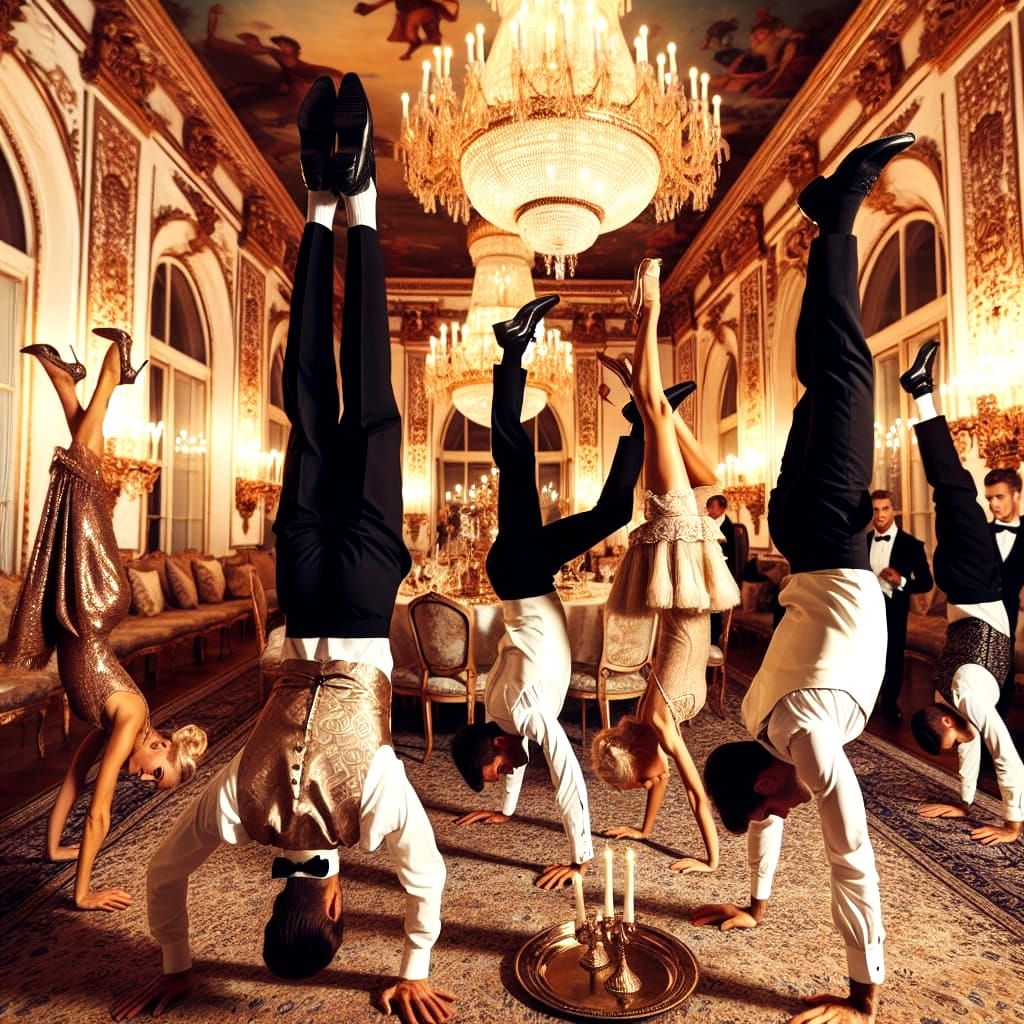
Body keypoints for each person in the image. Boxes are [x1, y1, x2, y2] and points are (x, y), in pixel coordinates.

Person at [110, 75, 453, 1024]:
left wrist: (417, 964)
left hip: (359, 598)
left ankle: (364, 195)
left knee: (373, 401)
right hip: (303, 594)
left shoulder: (374, 814)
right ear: (277, 895)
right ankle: (317, 196)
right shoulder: (240, 811)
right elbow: (165, 874)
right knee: (308, 401)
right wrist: (176, 960)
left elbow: (426, 878)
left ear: (337, 901)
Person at [694, 132, 918, 1024]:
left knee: (849, 370)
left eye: (765, 805)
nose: (781, 807)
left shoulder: (807, 746)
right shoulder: (756, 723)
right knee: (823, 386)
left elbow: (851, 852)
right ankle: (826, 225)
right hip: (805, 536)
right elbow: (778, 818)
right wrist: (753, 905)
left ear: (761, 779)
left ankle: (836, 216)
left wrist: (863, 993)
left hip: (825, 537)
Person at [2, 331, 207, 913]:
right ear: (161, 745)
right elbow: (100, 806)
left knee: (78, 480)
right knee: (82, 483)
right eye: (157, 773)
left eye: (151, 783)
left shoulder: (112, 724)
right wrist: (84, 889)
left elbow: (71, 782)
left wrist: (54, 848)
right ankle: (114, 366)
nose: (144, 779)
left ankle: (69, 378)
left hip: (86, 614)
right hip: (93, 605)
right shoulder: (130, 716)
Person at [450, 293, 645, 890]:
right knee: (519, 457)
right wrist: (504, 808)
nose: (506, 768)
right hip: (516, 574)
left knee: (604, 507)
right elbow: (518, 757)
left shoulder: (523, 713)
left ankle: (521, 353)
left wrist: (581, 858)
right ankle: (519, 353)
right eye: (499, 773)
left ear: (493, 741)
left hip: (524, 574)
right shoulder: (499, 716)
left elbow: (565, 773)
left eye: (495, 766)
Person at [588, 259, 739, 871]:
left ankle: (646, 311)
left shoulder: (658, 717)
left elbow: (695, 797)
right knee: (659, 425)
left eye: (642, 778)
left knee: (658, 416)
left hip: (679, 555)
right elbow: (674, 787)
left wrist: (709, 862)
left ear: (641, 749)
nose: (654, 780)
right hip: (681, 580)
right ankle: (650, 403)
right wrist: (649, 832)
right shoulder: (654, 719)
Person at [899, 341, 1023, 846]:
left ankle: (922, 393)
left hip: (972, 579)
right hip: (958, 579)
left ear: (950, 715)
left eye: (952, 736)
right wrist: (965, 801)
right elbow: (973, 744)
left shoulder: (965, 696)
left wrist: (1014, 823)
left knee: (953, 489)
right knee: (948, 492)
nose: (960, 743)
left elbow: (1005, 753)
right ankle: (921, 396)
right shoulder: (946, 694)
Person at [867, 488, 933, 723]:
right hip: (865, 609)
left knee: (893, 656)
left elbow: (926, 582)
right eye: (875, 509)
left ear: (893, 509)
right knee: (868, 655)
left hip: (894, 608)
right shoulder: (863, 542)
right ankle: (868, 701)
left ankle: (890, 703)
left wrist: (901, 581)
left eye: (885, 508)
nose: (880, 515)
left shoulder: (911, 545)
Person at [984, 466, 1023, 716]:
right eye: (989, 499)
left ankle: (1000, 723)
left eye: (1000, 497)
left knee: (1004, 670)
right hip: (981, 610)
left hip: (1010, 614)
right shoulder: (981, 533)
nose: (993, 505)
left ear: (1016, 495)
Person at [707, 492, 739, 644]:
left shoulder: (729, 527)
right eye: (709, 507)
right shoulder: (707, 523)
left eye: (713, 507)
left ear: (723, 508)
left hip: (723, 572)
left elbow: (733, 554)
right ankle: (708, 639)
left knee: (717, 607)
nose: (710, 510)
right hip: (710, 569)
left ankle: (716, 641)